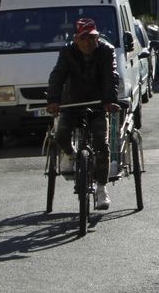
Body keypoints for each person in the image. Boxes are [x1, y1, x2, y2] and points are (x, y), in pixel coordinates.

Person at [46, 18, 120, 211]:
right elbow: (57, 76)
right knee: (61, 136)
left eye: (92, 38)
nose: (88, 42)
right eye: (84, 38)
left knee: (101, 145)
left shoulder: (106, 51)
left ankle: (102, 189)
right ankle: (71, 155)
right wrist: (53, 100)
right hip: (72, 103)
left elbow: (110, 77)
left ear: (98, 37)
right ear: (76, 39)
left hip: (97, 104)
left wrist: (109, 101)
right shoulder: (67, 52)